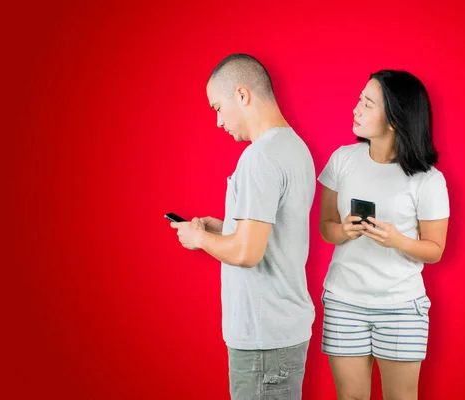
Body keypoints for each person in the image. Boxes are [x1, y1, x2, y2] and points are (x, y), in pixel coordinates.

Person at [170, 53, 316, 400]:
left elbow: (247, 253)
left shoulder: (259, 156)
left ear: (242, 94)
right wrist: (224, 229)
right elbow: (273, 237)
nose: (218, 121)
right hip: (283, 330)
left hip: (262, 339)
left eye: (217, 107)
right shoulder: (295, 147)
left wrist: (199, 237)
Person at [317, 69, 450, 400]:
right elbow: (326, 227)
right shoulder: (342, 160)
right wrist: (344, 231)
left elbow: (435, 250)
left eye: (368, 103)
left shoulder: (428, 180)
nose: (356, 108)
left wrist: (397, 241)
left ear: (394, 120)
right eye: (359, 99)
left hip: (401, 305)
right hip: (343, 300)